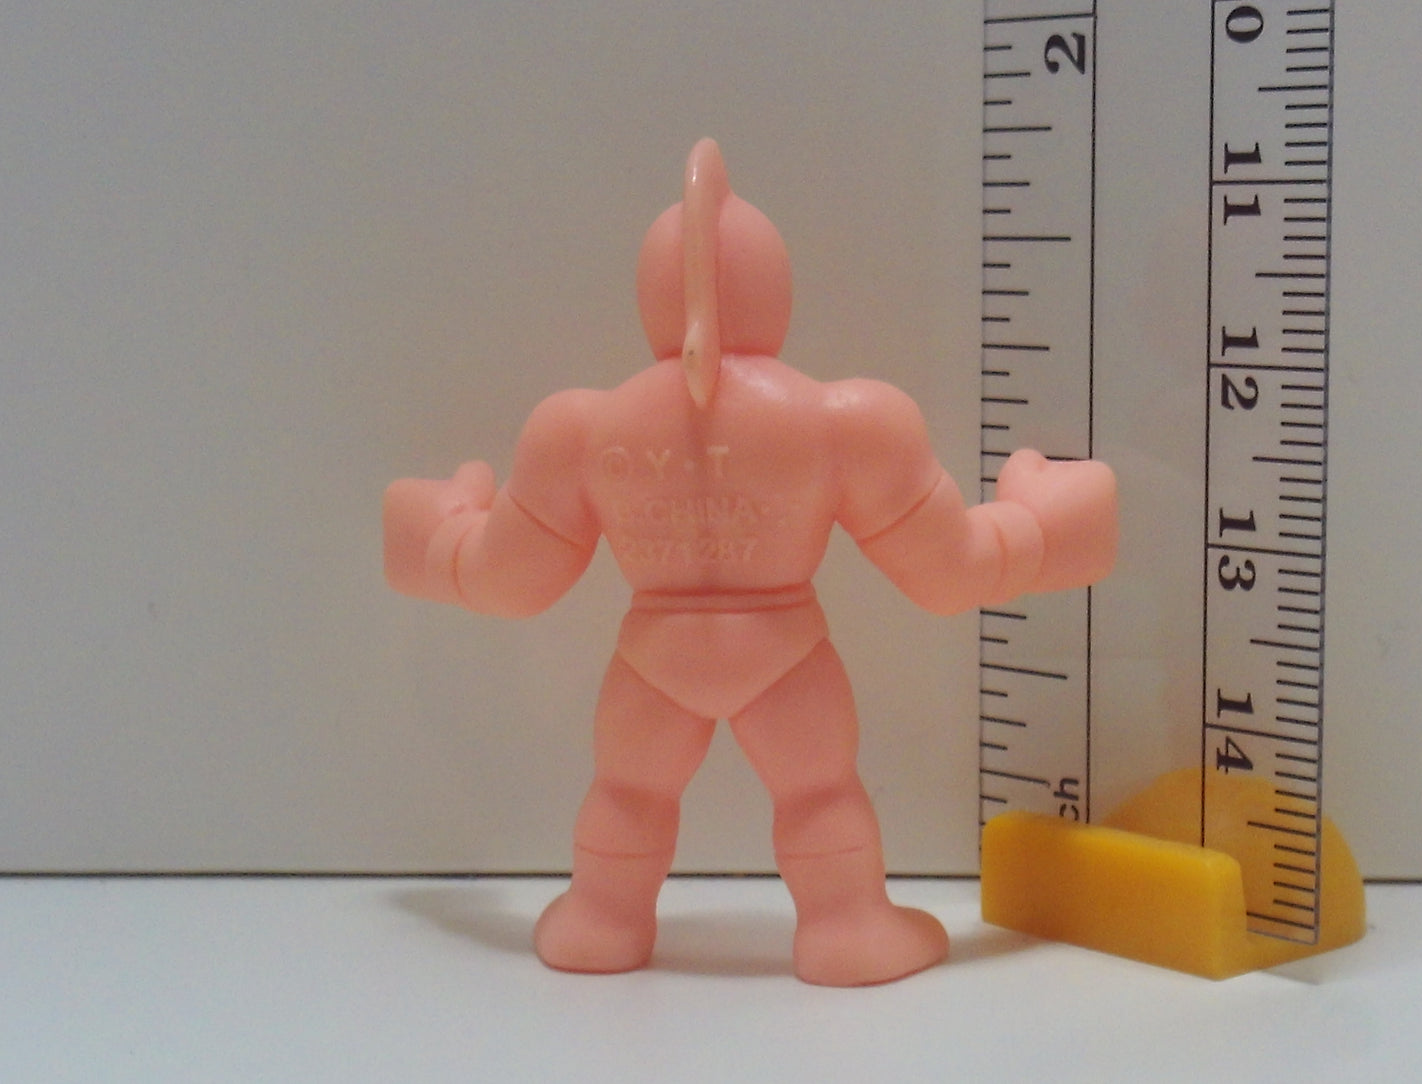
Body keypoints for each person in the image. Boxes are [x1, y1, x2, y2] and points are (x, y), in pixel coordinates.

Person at [384, 139, 1117, 985]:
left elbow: (507, 579)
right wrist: (1038, 524)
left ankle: (600, 921)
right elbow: (950, 569)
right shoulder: (845, 421)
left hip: (650, 661)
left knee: (627, 792)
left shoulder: (581, 429)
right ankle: (846, 928)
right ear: (777, 293)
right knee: (818, 792)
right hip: (785, 654)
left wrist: (441, 533)